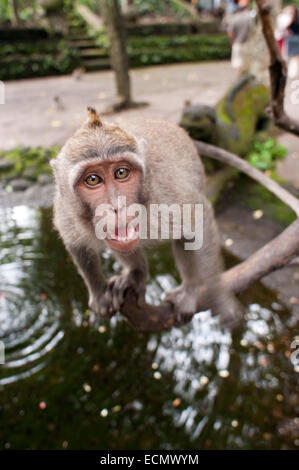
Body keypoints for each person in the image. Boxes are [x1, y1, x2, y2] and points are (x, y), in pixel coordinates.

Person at [226, 0, 253, 75]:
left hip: (237, 43)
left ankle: (240, 77)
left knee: (238, 64)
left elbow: (230, 33)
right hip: (248, 43)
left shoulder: (234, 18)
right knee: (247, 63)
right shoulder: (249, 17)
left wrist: (232, 43)